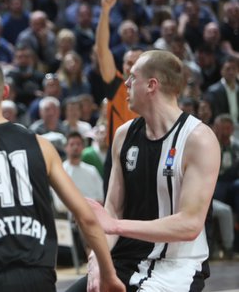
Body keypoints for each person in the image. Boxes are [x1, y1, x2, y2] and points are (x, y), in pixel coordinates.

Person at [0, 57, 124, 292]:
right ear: (5, 92)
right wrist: (108, 273)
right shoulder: (42, 146)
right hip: (38, 277)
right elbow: (87, 217)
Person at [70, 50, 220, 292]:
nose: (126, 83)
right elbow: (113, 210)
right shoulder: (123, 134)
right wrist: (98, 259)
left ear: (152, 85)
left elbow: (190, 225)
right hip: (125, 259)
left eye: (132, 77)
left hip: (177, 266)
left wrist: (115, 226)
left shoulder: (199, 139)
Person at [94, 0, 142, 191]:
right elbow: (102, 49)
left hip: (147, 154)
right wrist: (105, 11)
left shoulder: (155, 90)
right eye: (127, 62)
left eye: (135, 63)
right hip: (118, 157)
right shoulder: (117, 85)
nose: (130, 66)